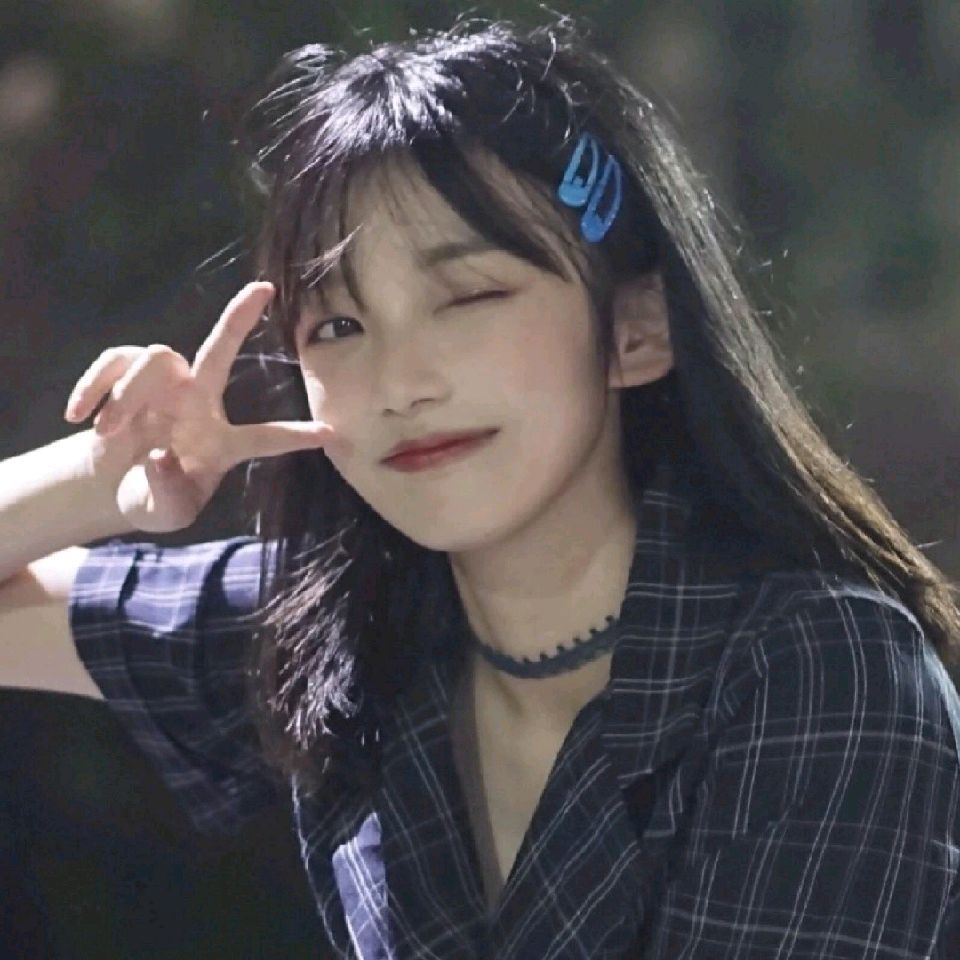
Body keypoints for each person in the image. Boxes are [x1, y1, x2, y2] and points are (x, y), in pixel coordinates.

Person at [2, 15, 960, 959]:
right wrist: (107, 475)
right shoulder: (341, 631)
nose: (401, 382)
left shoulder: (820, 666)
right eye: (339, 327)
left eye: (469, 296)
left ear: (635, 331)